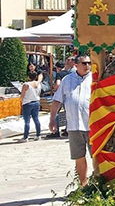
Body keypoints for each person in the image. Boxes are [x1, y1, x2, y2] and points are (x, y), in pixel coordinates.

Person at [49, 55, 95, 187]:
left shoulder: (94, 79)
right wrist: (52, 119)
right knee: (78, 156)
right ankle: (83, 184)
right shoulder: (67, 80)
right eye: (84, 63)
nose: (87, 65)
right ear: (76, 65)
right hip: (74, 124)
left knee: (96, 156)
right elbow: (57, 100)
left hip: (92, 124)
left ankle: (99, 182)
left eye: (89, 63)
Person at [20, 71, 42, 141]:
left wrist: (21, 101)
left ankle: (26, 136)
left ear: (28, 77)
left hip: (27, 103)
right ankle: (38, 135)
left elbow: (22, 95)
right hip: (36, 102)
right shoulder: (38, 84)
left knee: (27, 121)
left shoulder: (26, 85)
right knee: (36, 119)